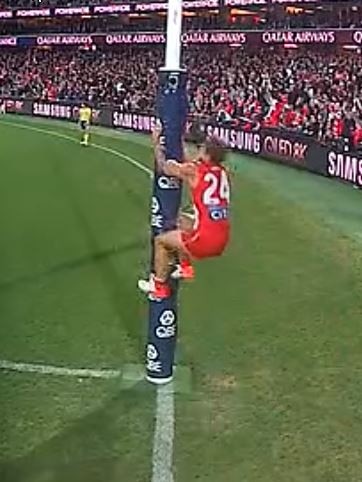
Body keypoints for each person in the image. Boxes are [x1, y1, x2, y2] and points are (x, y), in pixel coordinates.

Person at [138, 128, 231, 300]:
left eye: (202, 148)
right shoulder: (221, 172)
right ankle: (186, 268)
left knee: (161, 241)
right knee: (180, 220)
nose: (199, 149)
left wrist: (156, 144)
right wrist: (179, 139)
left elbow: (164, 167)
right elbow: (191, 161)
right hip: (222, 236)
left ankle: (158, 286)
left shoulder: (195, 171)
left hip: (204, 240)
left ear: (207, 155)